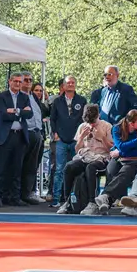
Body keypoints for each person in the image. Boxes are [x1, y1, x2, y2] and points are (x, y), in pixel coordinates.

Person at [61, 103, 114, 214]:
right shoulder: (82, 126)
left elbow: (111, 149)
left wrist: (102, 137)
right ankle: (67, 201)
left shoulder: (107, 126)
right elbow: (77, 149)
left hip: (101, 158)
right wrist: (81, 138)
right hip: (85, 156)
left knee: (91, 168)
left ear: (98, 115)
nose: (91, 125)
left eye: (93, 122)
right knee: (68, 167)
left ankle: (92, 202)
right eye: (89, 122)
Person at [47, 75, 86, 207]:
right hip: (61, 140)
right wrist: (55, 133)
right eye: (68, 83)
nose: (70, 85)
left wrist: (82, 136)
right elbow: (53, 119)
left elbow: (84, 120)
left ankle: (72, 198)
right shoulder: (57, 101)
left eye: (73, 83)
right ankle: (56, 199)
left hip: (76, 140)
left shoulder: (82, 100)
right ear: (63, 86)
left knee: (76, 169)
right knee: (59, 169)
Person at [0, 72, 31, 206]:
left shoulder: (25, 97)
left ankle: (14, 197)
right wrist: (21, 112)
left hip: (20, 135)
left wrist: (15, 111)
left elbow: (29, 114)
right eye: (15, 81)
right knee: (2, 167)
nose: (18, 84)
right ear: (10, 81)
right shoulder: (1, 96)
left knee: (17, 168)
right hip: (5, 136)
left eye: (20, 82)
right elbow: (3, 114)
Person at [100, 109, 137, 211]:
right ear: (131, 123)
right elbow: (121, 146)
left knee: (124, 173)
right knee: (111, 171)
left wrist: (121, 150)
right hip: (118, 158)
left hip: (133, 160)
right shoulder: (117, 128)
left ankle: (105, 196)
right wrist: (133, 143)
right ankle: (107, 203)